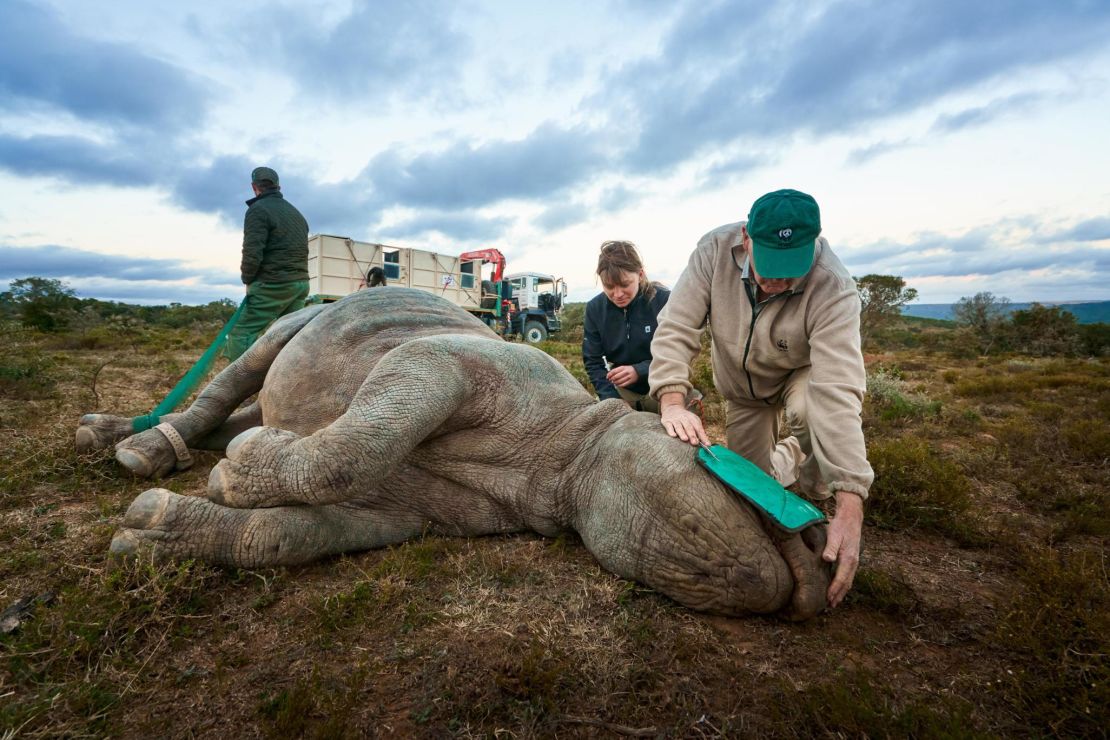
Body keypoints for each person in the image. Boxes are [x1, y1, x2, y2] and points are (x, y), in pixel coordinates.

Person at [648, 189, 873, 608]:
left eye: (789, 273)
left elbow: (838, 388)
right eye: (768, 267)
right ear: (746, 237)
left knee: (811, 412)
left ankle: (817, 480)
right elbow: (677, 326)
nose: (775, 282)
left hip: (800, 375)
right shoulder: (713, 250)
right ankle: (795, 460)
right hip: (742, 387)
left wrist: (851, 497)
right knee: (753, 490)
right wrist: (672, 399)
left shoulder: (833, 286)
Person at [224, 167, 310, 361]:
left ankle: (240, 386)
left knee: (241, 334)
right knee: (288, 335)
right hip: (301, 283)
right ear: (278, 186)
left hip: (274, 283)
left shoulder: (258, 210)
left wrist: (248, 280)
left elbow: (252, 252)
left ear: (254, 187)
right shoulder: (296, 213)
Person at [582, 241, 671, 412]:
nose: (617, 294)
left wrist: (640, 370)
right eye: (609, 286)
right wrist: (611, 400)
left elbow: (678, 352)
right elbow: (593, 361)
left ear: (640, 274)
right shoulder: (595, 308)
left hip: (664, 384)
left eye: (625, 284)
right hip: (621, 392)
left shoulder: (664, 301)